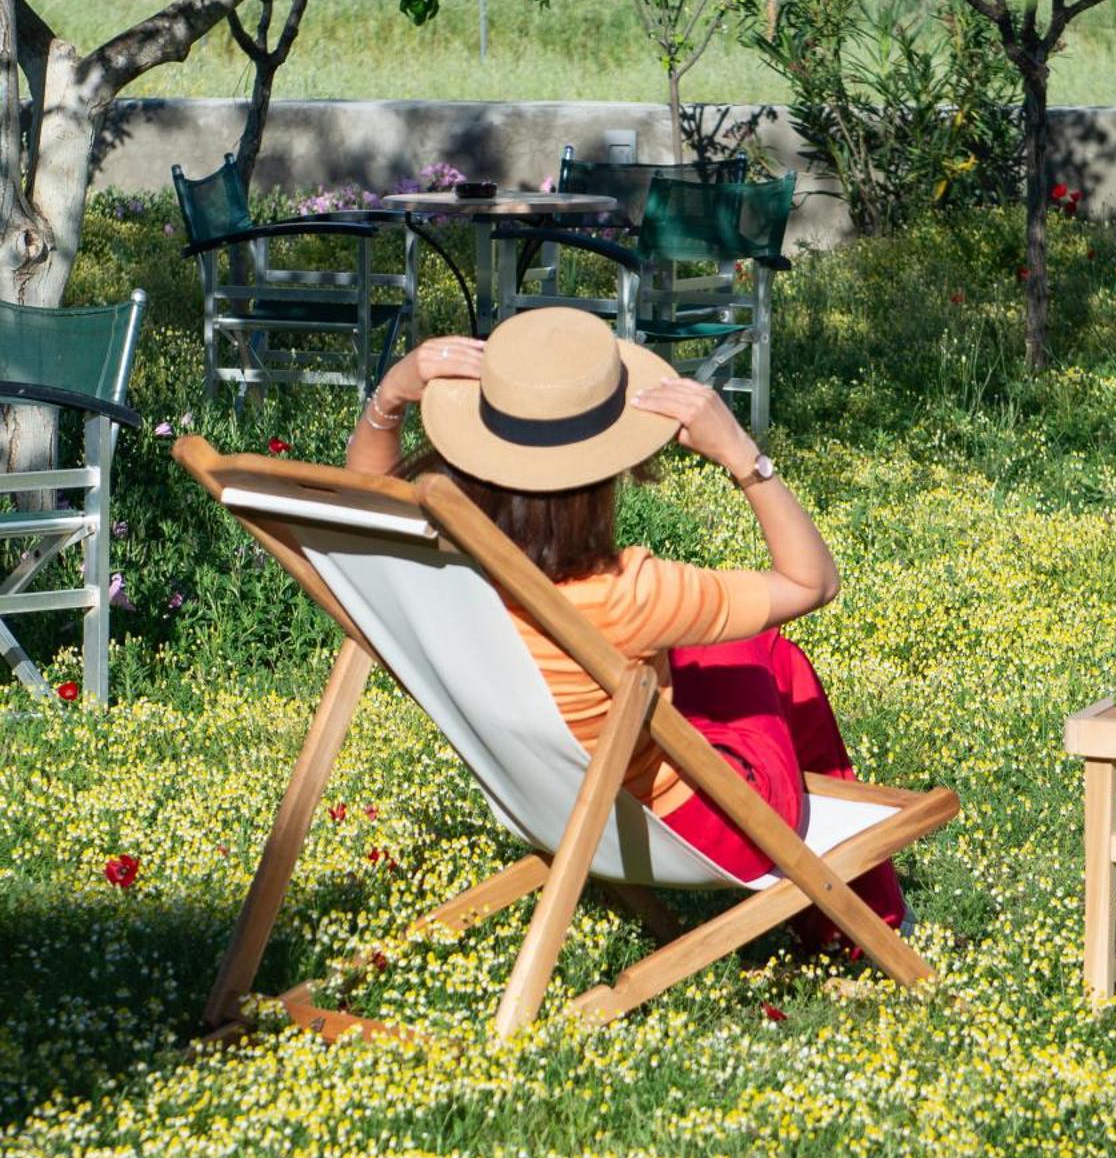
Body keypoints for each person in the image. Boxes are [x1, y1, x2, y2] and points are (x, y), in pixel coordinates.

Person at [345, 307, 906, 936]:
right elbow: (814, 581)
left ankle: (863, 909)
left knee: (714, 653)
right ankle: (864, 921)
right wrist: (742, 455)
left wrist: (391, 394)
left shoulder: (440, 562)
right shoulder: (626, 594)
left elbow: (364, 496)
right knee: (769, 650)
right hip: (693, 828)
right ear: (599, 471)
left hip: (546, 800)